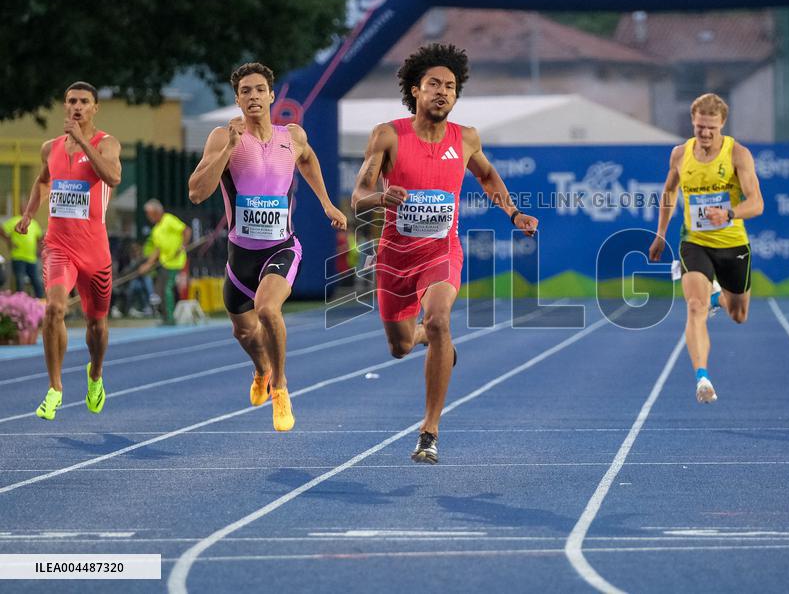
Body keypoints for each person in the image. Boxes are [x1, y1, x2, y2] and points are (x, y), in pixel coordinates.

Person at [352, 43, 538, 464]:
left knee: (438, 319)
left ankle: (429, 431)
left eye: (450, 86)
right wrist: (380, 199)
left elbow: (488, 176)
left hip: (441, 251)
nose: (442, 92)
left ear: (456, 95)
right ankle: (425, 340)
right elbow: (359, 192)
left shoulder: (466, 138)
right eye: (433, 84)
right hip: (396, 257)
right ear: (416, 90)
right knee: (400, 346)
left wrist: (513, 212)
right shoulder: (388, 135)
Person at [188, 62, 347, 432]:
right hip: (239, 257)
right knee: (243, 332)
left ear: (272, 96)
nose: (253, 96)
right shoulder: (223, 136)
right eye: (246, 91)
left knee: (268, 309)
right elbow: (197, 193)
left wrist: (326, 202)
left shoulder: (292, 136)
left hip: (282, 248)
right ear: (238, 99)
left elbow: (307, 160)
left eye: (260, 89)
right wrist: (225, 149)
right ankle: (262, 371)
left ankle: (280, 388)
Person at [649, 93, 764, 404]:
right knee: (695, 307)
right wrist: (660, 234)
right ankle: (703, 379)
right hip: (695, 241)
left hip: (732, 243)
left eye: (712, 128)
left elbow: (757, 203)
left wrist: (729, 214)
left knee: (739, 315)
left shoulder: (738, 154)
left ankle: (719, 295)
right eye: (700, 127)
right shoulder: (679, 154)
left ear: (722, 124)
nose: (706, 133)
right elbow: (669, 191)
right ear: (693, 122)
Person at [17, 81, 122, 419]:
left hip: (95, 252)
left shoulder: (106, 143)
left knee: (97, 326)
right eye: (71, 101)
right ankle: (55, 387)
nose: (77, 106)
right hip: (58, 246)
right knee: (54, 309)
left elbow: (113, 177)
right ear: (65, 106)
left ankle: (95, 375)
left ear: (95, 108)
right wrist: (29, 213)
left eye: (84, 101)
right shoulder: (51, 147)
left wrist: (82, 143)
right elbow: (43, 180)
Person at [137, 199, 191, 325]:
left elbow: (186, 231)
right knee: (160, 289)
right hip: (165, 262)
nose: (148, 216)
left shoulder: (169, 220)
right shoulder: (156, 230)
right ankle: (166, 316)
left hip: (175, 261)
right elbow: (157, 250)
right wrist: (147, 265)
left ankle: (170, 319)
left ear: (156, 212)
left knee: (167, 288)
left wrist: (182, 246)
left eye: (149, 213)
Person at [1, 202, 44, 296]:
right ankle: (20, 305)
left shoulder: (34, 223)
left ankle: (39, 304)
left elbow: (39, 237)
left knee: (37, 282)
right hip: (18, 257)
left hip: (31, 258)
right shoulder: (15, 220)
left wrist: (41, 249)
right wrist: (9, 241)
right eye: (25, 208)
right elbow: (1, 229)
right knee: (20, 282)